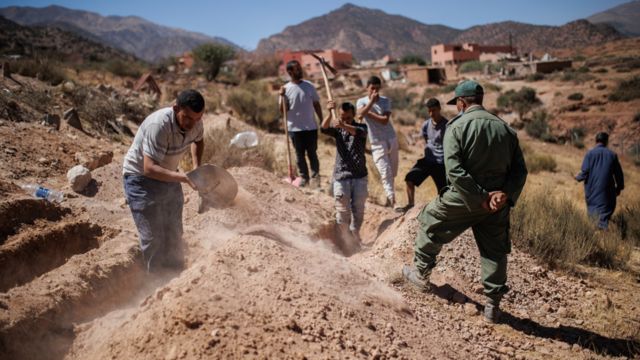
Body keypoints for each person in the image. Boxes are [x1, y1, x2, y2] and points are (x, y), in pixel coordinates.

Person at [402, 80, 528, 323]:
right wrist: (504, 195)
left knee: (429, 219)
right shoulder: (505, 129)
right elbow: (520, 171)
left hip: (464, 198)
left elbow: (455, 170)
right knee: (494, 251)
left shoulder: (457, 126)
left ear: (461, 102)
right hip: (496, 204)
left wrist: (479, 197)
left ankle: (420, 275)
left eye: (457, 103)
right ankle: (493, 306)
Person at [122, 89, 205, 273]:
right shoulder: (158, 125)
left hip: (168, 175)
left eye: (198, 118)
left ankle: (177, 277)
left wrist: (197, 167)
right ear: (176, 108)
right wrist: (185, 177)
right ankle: (155, 283)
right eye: (188, 118)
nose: (193, 124)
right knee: (153, 237)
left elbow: (198, 141)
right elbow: (149, 168)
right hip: (140, 179)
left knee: (174, 232)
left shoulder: (196, 123)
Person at [321, 100, 368, 254]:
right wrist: (329, 113)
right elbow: (323, 128)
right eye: (342, 117)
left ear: (353, 115)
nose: (344, 120)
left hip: (359, 176)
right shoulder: (337, 130)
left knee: (359, 210)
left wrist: (343, 125)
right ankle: (347, 242)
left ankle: (355, 235)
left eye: (348, 117)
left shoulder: (361, 127)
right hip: (341, 176)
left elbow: (356, 131)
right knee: (342, 213)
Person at [396, 98, 448, 213]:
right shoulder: (426, 124)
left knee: (444, 192)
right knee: (409, 178)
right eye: (429, 111)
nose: (431, 113)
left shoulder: (447, 125)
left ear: (439, 109)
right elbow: (426, 139)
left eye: (434, 110)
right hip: (428, 160)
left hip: (441, 163)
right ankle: (410, 205)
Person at [279, 60, 323, 187]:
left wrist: (321, 120)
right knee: (299, 155)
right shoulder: (285, 89)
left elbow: (316, 104)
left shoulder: (309, 86)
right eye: (297, 69)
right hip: (294, 129)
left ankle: (315, 178)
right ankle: (304, 178)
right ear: (290, 72)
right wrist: (282, 97)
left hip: (310, 127)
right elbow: (283, 111)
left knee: (312, 153)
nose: (300, 70)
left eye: (300, 68)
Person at [357, 76, 398, 207]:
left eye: (377, 88)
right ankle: (392, 200)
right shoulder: (361, 101)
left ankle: (388, 198)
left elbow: (384, 120)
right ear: (367, 88)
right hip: (376, 142)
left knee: (393, 172)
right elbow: (359, 115)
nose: (374, 91)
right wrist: (370, 103)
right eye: (372, 88)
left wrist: (367, 112)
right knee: (385, 171)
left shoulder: (385, 101)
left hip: (391, 138)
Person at [575, 132, 624, 229]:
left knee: (594, 214)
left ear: (596, 141)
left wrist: (577, 177)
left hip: (592, 191)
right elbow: (618, 174)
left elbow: (585, 172)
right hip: (607, 191)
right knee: (605, 213)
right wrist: (619, 187)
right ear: (606, 141)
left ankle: (597, 234)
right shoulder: (612, 155)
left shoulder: (590, 154)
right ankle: (603, 233)